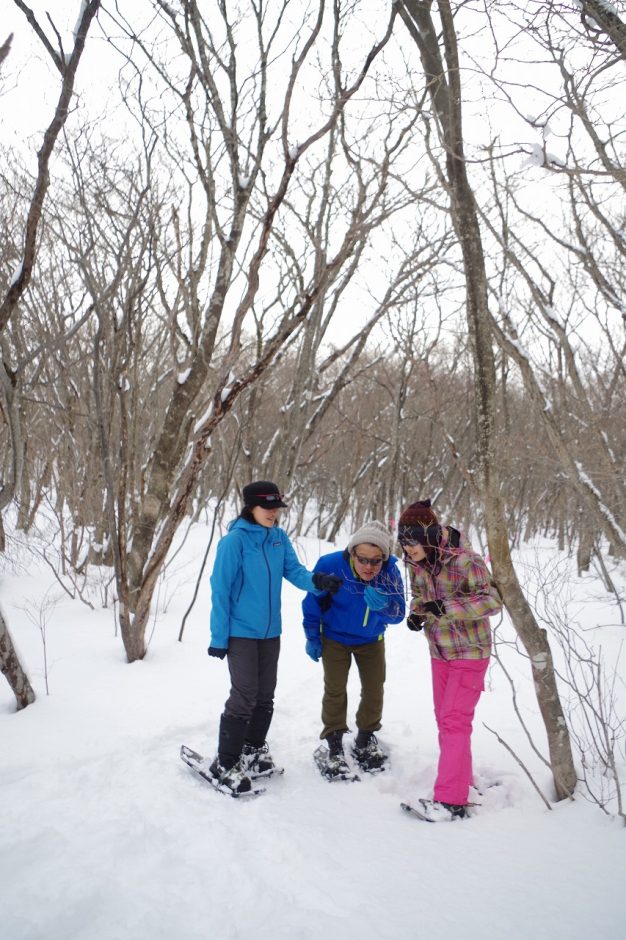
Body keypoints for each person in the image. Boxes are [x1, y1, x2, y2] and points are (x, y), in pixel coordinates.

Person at [207, 480, 342, 794]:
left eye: (276, 508)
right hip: (240, 632)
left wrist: (317, 581)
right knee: (245, 694)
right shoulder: (234, 542)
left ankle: (253, 752)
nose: (273, 514)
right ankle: (225, 762)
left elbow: (294, 571)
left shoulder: (278, 538)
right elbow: (220, 590)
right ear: (250, 506)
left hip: (271, 631)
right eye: (267, 508)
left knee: (265, 694)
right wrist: (219, 636)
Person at [398, 498, 502, 821]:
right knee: (445, 719)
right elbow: (420, 598)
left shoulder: (465, 561)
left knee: (454, 720)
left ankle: (450, 801)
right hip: (439, 651)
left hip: (470, 651)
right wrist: (417, 614)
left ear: (427, 537)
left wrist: (447, 609)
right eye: (403, 542)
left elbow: (493, 600)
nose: (407, 549)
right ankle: (460, 779)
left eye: (411, 542)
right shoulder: (417, 564)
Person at [302, 520, 405, 777]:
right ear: (352, 553)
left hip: (371, 640)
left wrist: (384, 607)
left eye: (376, 561)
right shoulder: (330, 566)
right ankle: (334, 742)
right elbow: (312, 601)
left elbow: (399, 613)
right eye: (363, 559)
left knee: (374, 689)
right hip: (335, 638)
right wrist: (312, 636)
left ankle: (365, 738)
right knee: (335, 689)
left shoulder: (390, 573)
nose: (369, 566)